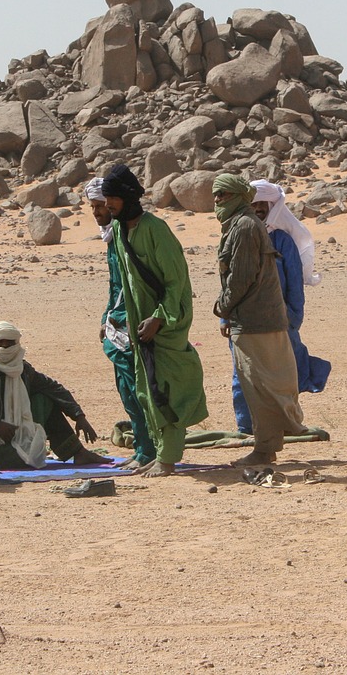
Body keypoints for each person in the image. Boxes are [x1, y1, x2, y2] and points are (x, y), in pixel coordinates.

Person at [101, 164, 209, 477]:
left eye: (113, 203)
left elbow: (176, 282)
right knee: (146, 390)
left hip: (165, 324)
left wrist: (159, 319)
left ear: (127, 198)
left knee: (168, 390)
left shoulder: (155, 230)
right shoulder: (120, 231)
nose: (109, 209)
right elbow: (123, 283)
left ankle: (168, 459)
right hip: (138, 327)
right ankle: (155, 452)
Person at [212, 173, 306, 467]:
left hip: (255, 320)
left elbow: (240, 278)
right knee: (259, 384)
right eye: (216, 196)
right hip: (258, 319)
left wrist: (222, 309)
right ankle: (266, 444)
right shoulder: (244, 225)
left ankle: (264, 450)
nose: (218, 202)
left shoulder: (242, 227)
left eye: (224, 196)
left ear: (240, 198)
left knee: (259, 386)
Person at [227, 179, 331, 433]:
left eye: (264, 203)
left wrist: (292, 319)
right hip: (243, 319)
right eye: (254, 203)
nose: (259, 208)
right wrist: (225, 318)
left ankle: (286, 424)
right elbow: (229, 280)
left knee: (284, 375)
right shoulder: (237, 236)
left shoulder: (283, 241)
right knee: (244, 374)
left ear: (273, 206)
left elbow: (294, 284)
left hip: (279, 319)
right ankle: (247, 428)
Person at [0, 321, 109, 469]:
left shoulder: (22, 370)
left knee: (44, 399)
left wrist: (78, 416)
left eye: (9, 343)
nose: (5, 347)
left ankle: (78, 453)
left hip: (15, 435)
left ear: (17, 344)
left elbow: (53, 388)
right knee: (22, 459)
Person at [85, 177, 155, 470]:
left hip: (134, 324)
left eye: (101, 206)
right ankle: (141, 449)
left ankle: (151, 450)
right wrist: (106, 318)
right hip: (117, 324)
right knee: (126, 390)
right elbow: (115, 285)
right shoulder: (113, 237)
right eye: (93, 207)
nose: (97, 212)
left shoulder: (131, 234)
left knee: (141, 391)